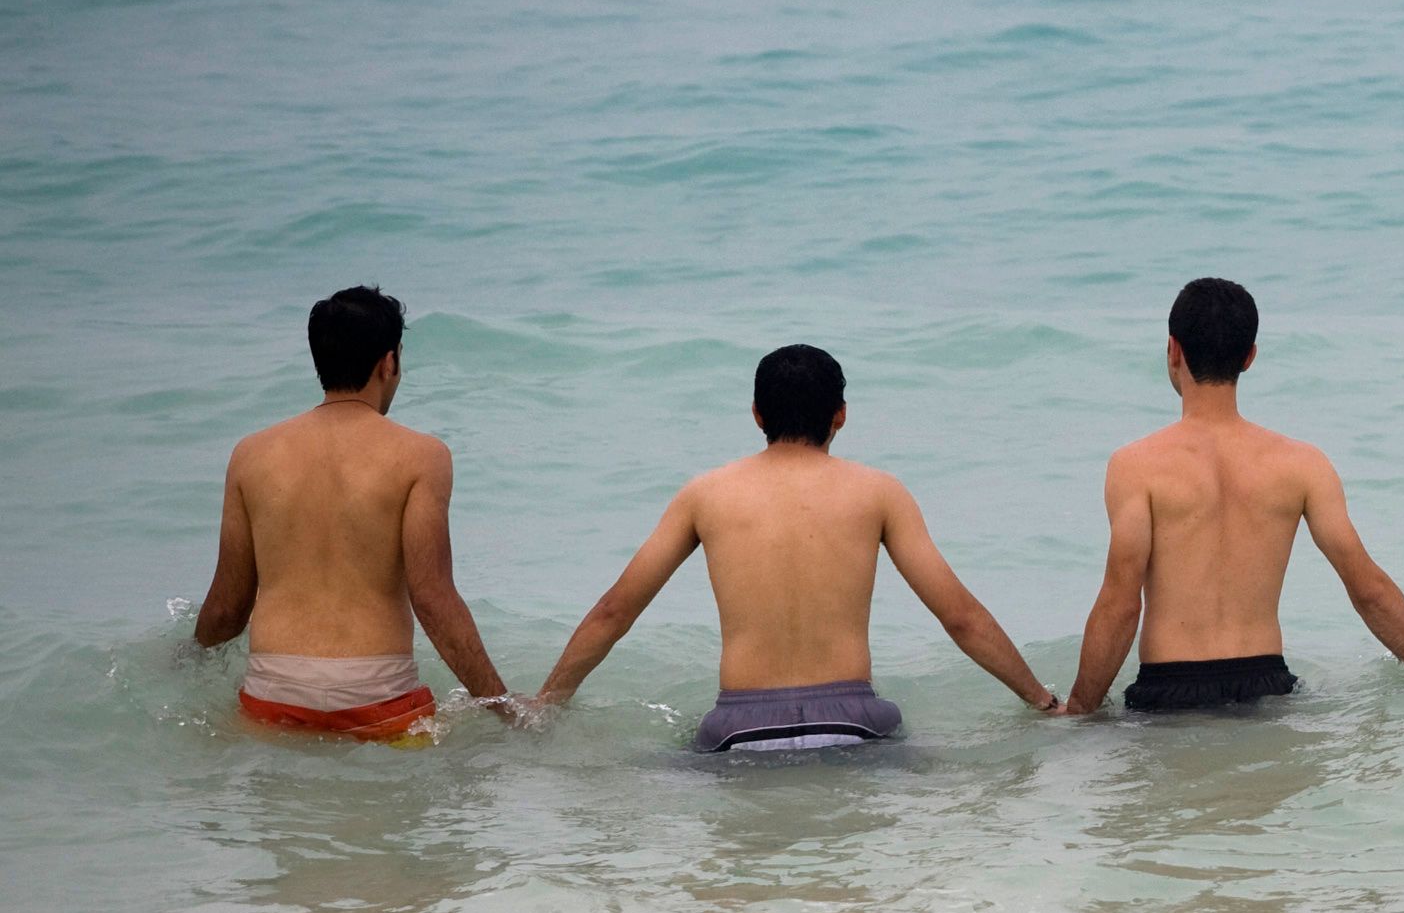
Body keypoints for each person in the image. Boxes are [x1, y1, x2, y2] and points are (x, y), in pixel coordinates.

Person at [535, 343, 1053, 746]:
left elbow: (614, 612)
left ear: (757, 414)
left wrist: (544, 704)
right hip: (856, 725)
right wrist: (1045, 703)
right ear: (841, 415)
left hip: (737, 729)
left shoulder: (704, 494)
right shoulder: (879, 492)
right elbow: (960, 617)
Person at [1055, 278, 1404, 715]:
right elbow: (1367, 588)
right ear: (1249, 357)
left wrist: (1080, 708)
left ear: (1173, 350)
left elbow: (1121, 605)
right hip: (1268, 687)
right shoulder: (1303, 463)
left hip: (1168, 692)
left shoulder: (1135, 465)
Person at [194, 284, 510, 739]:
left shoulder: (251, 455)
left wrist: (185, 661)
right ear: (389, 362)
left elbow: (227, 610)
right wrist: (504, 707)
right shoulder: (422, 456)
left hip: (271, 701)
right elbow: (433, 599)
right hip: (378, 705)